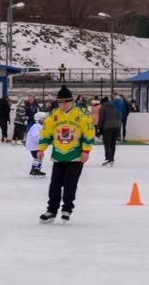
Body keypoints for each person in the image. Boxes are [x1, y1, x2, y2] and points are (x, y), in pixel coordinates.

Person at [36, 85, 95, 223]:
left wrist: (86, 151)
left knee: (70, 185)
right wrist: (41, 148)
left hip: (75, 155)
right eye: (60, 103)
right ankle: (51, 210)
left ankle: (67, 209)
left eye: (65, 102)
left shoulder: (81, 113)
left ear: (71, 102)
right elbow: (46, 133)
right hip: (58, 155)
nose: (62, 105)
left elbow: (89, 132)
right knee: (55, 185)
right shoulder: (54, 114)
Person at [97, 92, 121, 166]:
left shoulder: (103, 107)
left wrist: (98, 128)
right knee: (113, 144)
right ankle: (111, 159)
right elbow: (118, 116)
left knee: (107, 143)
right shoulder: (114, 107)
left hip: (107, 127)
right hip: (116, 127)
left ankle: (108, 158)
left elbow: (101, 118)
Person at [25, 111, 48, 176]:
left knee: (40, 156)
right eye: (44, 119)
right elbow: (35, 136)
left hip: (37, 146)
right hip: (33, 146)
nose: (45, 120)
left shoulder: (41, 126)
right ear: (39, 119)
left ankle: (37, 169)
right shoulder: (36, 126)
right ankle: (34, 170)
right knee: (37, 157)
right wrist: (41, 141)